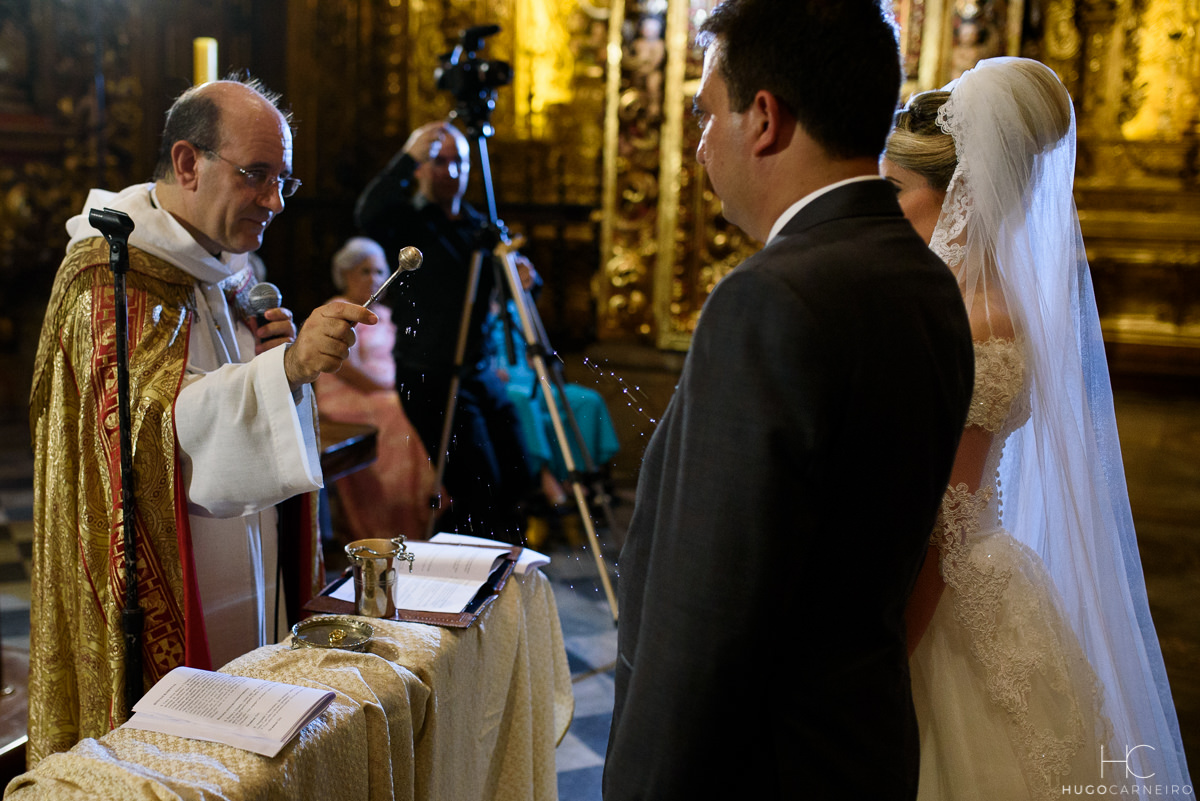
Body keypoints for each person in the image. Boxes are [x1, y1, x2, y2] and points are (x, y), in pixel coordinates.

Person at [602, 2, 976, 799]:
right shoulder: (927, 282)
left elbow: (705, 610)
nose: (701, 146)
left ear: (764, 118)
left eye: (707, 115)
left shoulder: (768, 300)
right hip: (860, 747)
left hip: (757, 767)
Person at [28, 77, 375, 766]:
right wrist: (287, 373)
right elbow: (142, 434)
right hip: (159, 594)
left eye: (285, 180)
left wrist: (280, 361)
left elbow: (229, 396)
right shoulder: (108, 273)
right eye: (257, 175)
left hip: (252, 564)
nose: (274, 201)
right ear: (188, 163)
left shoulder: (232, 273)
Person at [883, 57, 1193, 797]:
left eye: (893, 189)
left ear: (953, 193)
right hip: (955, 574)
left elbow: (945, 524)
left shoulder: (976, 318)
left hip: (939, 601)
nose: (882, 206)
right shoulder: (959, 300)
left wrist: (890, 658)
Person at [355, 120, 533, 542]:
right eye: (438, 162)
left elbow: (513, 290)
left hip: (477, 370)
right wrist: (408, 156)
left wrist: (525, 278)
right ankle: (474, 587)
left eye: (458, 163)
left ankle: (503, 568)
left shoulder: (479, 227)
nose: (450, 173)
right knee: (478, 488)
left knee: (518, 477)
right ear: (420, 168)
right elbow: (368, 214)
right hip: (428, 373)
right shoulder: (407, 223)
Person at [315, 237, 443, 540]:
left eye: (378, 271)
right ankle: (389, 514)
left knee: (423, 402)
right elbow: (345, 368)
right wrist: (393, 388)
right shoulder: (336, 310)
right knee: (398, 408)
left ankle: (422, 507)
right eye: (364, 271)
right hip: (346, 395)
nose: (373, 279)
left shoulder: (384, 315)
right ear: (346, 274)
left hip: (384, 393)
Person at [486, 296, 620, 507]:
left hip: (532, 383)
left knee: (587, 400)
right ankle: (545, 475)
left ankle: (578, 473)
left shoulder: (514, 304)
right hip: (500, 386)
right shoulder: (474, 307)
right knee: (523, 400)